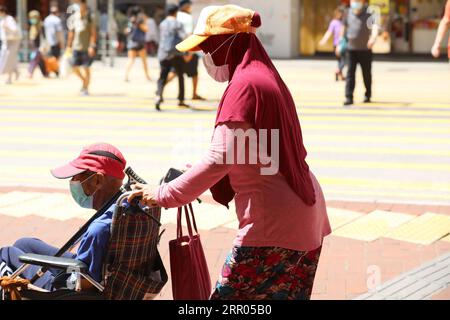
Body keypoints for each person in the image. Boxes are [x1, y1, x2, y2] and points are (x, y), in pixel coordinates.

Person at [129, 5, 331, 300]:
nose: (205, 58)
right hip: (304, 217)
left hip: (273, 227)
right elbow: (256, 152)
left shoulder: (245, 86)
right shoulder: (264, 76)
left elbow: (219, 159)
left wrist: (161, 193)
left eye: (207, 49)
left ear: (226, 44)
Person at [0, 143, 127, 292]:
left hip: (68, 289)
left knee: (6, 253)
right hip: (91, 271)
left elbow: (84, 284)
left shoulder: (99, 229)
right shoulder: (128, 208)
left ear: (98, 180)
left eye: (76, 176)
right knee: (24, 244)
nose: (73, 181)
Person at [338, 0, 379, 106]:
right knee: (350, 73)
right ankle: (349, 97)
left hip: (365, 50)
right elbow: (343, 28)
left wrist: (373, 38)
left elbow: (374, 26)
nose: (356, 2)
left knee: (366, 74)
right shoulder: (347, 13)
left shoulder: (369, 13)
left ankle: (368, 94)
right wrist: (340, 42)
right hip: (351, 49)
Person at [166, 0, 205, 100]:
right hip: (186, 49)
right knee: (194, 73)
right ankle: (194, 94)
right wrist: (190, 52)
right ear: (186, 6)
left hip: (174, 49)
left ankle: (160, 87)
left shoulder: (175, 16)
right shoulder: (187, 17)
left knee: (175, 71)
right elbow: (188, 35)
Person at [155, 4, 188, 111]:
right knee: (180, 76)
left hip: (163, 53)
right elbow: (184, 37)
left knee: (162, 76)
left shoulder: (162, 24)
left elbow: (159, 38)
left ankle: (158, 96)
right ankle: (181, 99)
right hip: (176, 53)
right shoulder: (178, 24)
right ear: (176, 12)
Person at [66, 0, 97, 96]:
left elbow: (93, 33)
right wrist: (68, 46)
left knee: (86, 68)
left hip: (86, 47)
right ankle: (84, 81)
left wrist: (92, 46)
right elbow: (71, 33)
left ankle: (85, 88)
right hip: (76, 47)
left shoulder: (89, 18)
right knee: (73, 67)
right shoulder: (75, 18)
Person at [319, 6, 346, 81]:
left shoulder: (344, 22)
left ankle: (340, 75)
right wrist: (324, 40)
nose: (341, 15)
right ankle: (337, 71)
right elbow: (329, 32)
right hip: (339, 44)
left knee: (340, 61)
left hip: (342, 44)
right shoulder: (334, 22)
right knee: (343, 60)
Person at [124, 6, 151, 82]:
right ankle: (147, 76)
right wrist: (144, 21)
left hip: (132, 43)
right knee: (144, 61)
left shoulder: (130, 21)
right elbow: (146, 29)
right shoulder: (140, 21)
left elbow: (126, 31)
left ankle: (126, 76)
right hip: (140, 43)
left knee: (131, 60)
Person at [0, 6, 21, 85]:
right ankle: (16, 72)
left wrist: (7, 27)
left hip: (12, 42)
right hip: (6, 42)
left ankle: (9, 78)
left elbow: (14, 29)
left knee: (8, 59)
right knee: (9, 59)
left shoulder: (9, 19)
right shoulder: (2, 20)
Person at [27, 10, 48, 79]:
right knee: (40, 60)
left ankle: (30, 72)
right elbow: (31, 36)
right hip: (33, 46)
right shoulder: (32, 25)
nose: (33, 19)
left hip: (39, 46)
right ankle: (46, 73)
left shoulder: (41, 25)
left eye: (34, 17)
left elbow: (43, 36)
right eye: (31, 17)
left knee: (34, 59)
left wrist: (43, 46)